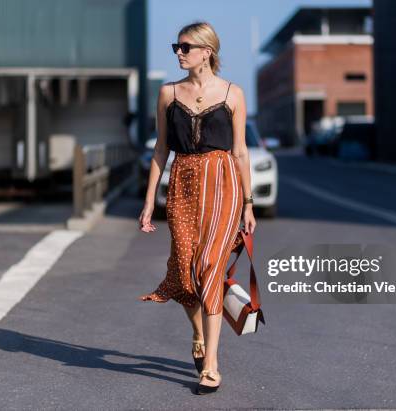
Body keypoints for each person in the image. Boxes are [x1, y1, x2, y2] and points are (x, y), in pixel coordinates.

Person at [136, 21, 256, 395]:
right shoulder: (168, 94)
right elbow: (160, 150)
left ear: (207, 52)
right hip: (184, 184)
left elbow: (239, 151)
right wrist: (147, 202)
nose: (178, 53)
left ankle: (212, 365)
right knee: (185, 270)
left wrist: (248, 203)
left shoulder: (233, 94)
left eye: (185, 47)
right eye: (177, 46)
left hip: (223, 184)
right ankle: (198, 332)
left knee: (210, 267)